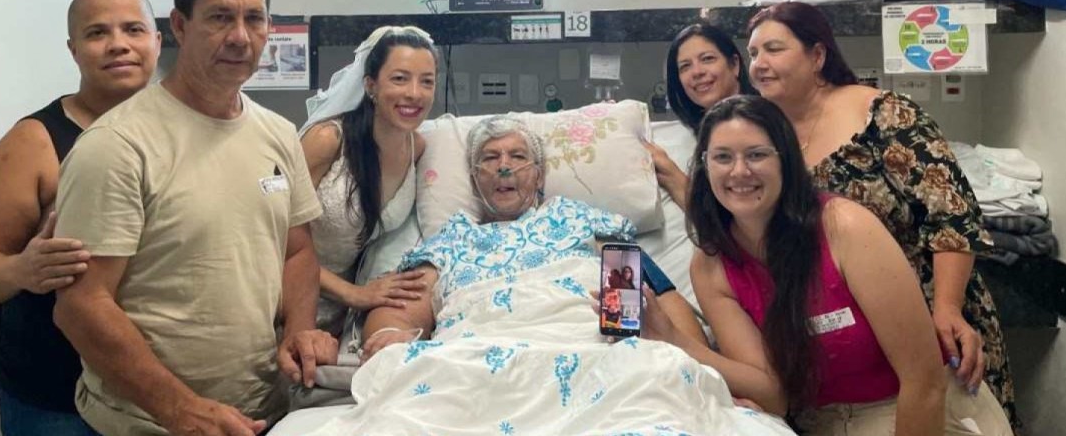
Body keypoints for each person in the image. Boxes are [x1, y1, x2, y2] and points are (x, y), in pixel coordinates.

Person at [291, 116, 791, 436]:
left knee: (652, 381)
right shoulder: (453, 238)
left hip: (592, 347)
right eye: (489, 159)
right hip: (476, 352)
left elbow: (652, 299)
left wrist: (695, 364)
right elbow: (400, 310)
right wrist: (389, 335)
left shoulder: (590, 224)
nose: (503, 168)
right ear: (475, 178)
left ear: (539, 172)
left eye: (517, 157)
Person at [52, 0, 338, 436]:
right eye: (220, 17)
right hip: (152, 422)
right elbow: (81, 307)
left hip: (262, 410)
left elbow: (297, 251)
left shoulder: (278, 133)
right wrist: (180, 409)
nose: (240, 37)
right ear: (181, 27)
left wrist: (299, 330)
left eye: (254, 19)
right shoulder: (118, 146)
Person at [645, 95, 1012, 435]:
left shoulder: (843, 227)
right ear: (705, 166)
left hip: (921, 412)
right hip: (821, 424)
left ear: (786, 161)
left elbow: (924, 382)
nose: (739, 171)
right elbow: (773, 395)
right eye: (722, 157)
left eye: (756, 155)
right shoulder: (711, 266)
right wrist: (676, 341)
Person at [745, 1, 1017, 425]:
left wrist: (947, 307)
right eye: (753, 53)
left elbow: (951, 215)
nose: (759, 63)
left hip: (927, 316)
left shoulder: (882, 114)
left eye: (774, 49)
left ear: (817, 55)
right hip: (839, 336)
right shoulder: (766, 138)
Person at [0, 0, 161, 436]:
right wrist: (21, 270)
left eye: (133, 29)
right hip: (56, 401)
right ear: (73, 49)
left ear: (158, 40)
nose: (118, 44)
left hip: (163, 395)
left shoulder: (185, 130)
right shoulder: (35, 142)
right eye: (97, 33)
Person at [299, 26, 438, 338]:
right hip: (287, 298)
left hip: (343, 312)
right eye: (400, 78)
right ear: (370, 84)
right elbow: (274, 240)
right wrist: (355, 294)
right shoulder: (327, 140)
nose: (414, 93)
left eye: (426, 81)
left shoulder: (416, 148)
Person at [646, 22, 754, 209]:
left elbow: (743, 218)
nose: (697, 72)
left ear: (735, 64)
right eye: (685, 66)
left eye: (707, 59)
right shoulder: (689, 135)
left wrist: (673, 177)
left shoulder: (766, 123)